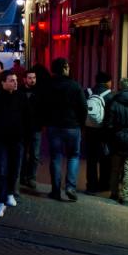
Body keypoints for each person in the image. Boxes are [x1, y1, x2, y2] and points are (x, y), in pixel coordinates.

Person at [0, 70, 29, 217]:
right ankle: (0, 201)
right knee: (0, 170)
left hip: (16, 139)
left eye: (16, 80)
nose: (15, 83)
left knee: (14, 169)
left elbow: (28, 116)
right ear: (3, 82)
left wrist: (25, 135)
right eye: (11, 80)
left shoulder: (21, 97)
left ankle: (9, 192)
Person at [45, 58, 87, 202]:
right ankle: (70, 187)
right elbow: (83, 107)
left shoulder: (49, 85)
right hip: (72, 126)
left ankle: (55, 190)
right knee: (73, 156)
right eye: (67, 66)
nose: (69, 68)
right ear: (64, 68)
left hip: (54, 126)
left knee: (56, 157)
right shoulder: (74, 86)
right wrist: (80, 124)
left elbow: (42, 105)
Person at [104, 77, 128, 206]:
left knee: (115, 167)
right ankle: (125, 196)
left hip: (118, 138)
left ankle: (114, 192)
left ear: (121, 87)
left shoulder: (115, 102)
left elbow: (109, 123)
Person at [84, 71, 114, 194]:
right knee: (105, 158)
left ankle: (91, 186)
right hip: (104, 131)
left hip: (90, 130)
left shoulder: (87, 92)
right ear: (108, 82)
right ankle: (104, 184)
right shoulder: (111, 95)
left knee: (91, 159)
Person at [19, 69, 44, 189]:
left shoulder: (40, 91)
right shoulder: (19, 91)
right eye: (30, 78)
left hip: (36, 127)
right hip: (22, 128)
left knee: (35, 155)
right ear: (24, 79)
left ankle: (32, 177)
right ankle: (22, 176)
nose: (32, 80)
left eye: (34, 78)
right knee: (22, 154)